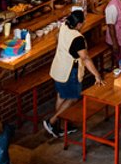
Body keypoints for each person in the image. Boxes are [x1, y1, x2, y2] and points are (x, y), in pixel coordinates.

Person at [43, 7, 102, 138]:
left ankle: (61, 125)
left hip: (58, 67)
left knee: (61, 96)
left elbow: (57, 37)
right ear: (79, 24)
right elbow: (85, 58)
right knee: (73, 97)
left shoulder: (64, 26)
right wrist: (97, 75)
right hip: (69, 71)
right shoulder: (77, 38)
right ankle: (52, 121)